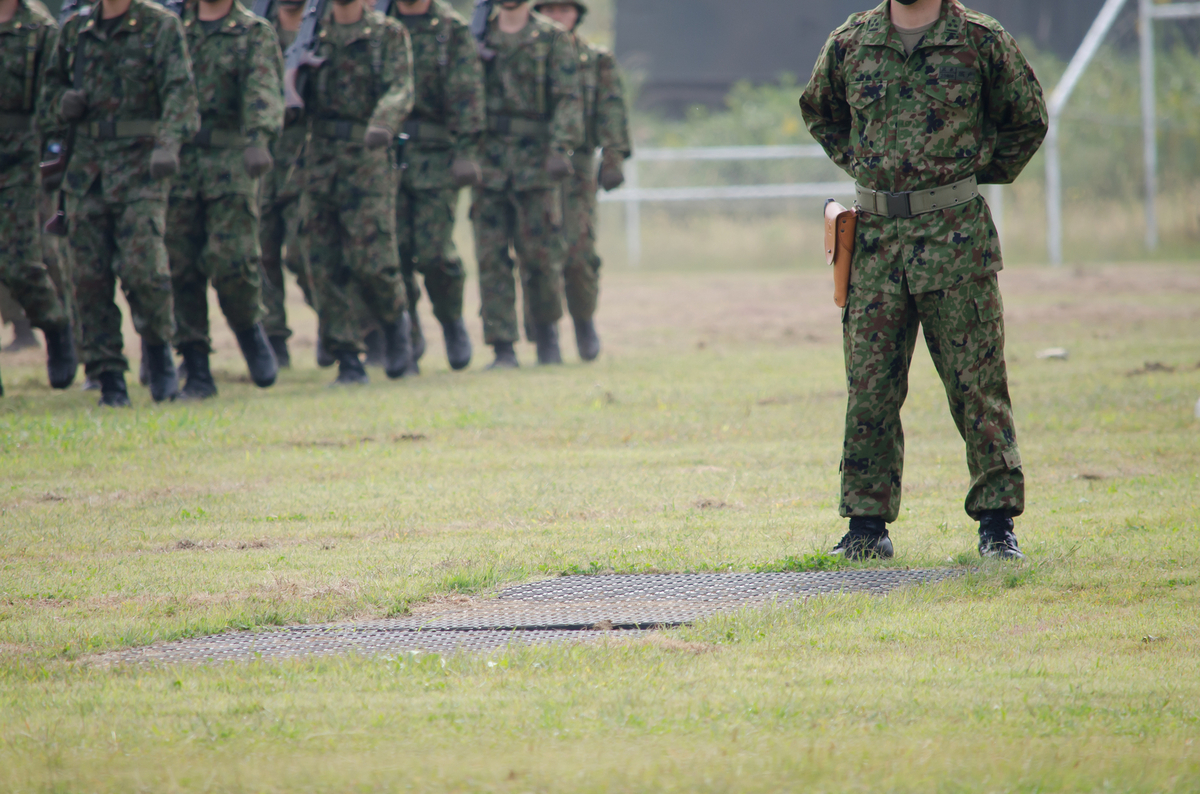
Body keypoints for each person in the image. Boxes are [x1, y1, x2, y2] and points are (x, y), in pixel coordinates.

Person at [799, 0, 1047, 560]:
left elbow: (1027, 119)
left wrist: (969, 168)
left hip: (954, 239)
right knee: (870, 388)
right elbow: (820, 111)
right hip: (876, 243)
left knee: (976, 385)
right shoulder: (851, 42)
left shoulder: (981, 40)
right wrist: (864, 160)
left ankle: (996, 526)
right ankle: (866, 528)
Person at [39, 0, 200, 406]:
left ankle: (160, 354)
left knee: (144, 270)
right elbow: (46, 97)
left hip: (140, 168)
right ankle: (107, 375)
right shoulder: (74, 31)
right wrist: (62, 103)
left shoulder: (160, 26)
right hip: (85, 172)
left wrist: (168, 144)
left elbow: (181, 93)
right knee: (88, 279)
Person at [167, 0, 283, 400]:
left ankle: (250, 329)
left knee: (232, 260)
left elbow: (263, 89)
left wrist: (259, 137)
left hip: (231, 160)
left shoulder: (252, 32)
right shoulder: (172, 27)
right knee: (179, 266)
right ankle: (195, 365)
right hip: (177, 160)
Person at [295, 0, 415, 385]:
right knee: (322, 260)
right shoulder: (312, 34)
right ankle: (347, 356)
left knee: (373, 258)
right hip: (320, 160)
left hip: (368, 157)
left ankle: (396, 327)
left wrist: (383, 122)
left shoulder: (387, 34)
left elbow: (402, 87)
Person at [472, 0, 581, 368]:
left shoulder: (551, 38)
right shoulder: (475, 36)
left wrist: (560, 147)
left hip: (536, 162)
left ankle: (547, 334)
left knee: (540, 256)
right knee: (491, 257)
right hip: (488, 162)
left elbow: (568, 98)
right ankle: (502, 346)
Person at [385, 0, 485, 373]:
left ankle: (451, 321)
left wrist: (467, 151)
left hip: (436, 157)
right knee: (394, 254)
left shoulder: (450, 30)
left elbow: (468, 94)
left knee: (433, 254)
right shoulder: (381, 23)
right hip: (385, 157)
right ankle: (406, 336)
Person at [531, 0, 628, 362]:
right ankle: (545, 334)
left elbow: (612, 109)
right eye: (550, 10)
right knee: (538, 252)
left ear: (577, 14)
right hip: (532, 165)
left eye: (565, 10)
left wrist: (613, 158)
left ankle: (584, 323)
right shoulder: (528, 55)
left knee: (579, 252)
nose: (557, 18)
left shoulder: (596, 58)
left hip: (579, 167)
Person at [0, 0, 78, 389]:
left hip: (21, 159)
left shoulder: (39, 29)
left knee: (20, 262)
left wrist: (53, 156)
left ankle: (56, 326)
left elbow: (53, 96)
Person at [258, 0, 313, 369]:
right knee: (261, 253)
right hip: (261, 158)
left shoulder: (319, 28)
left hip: (307, 158)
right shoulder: (258, 31)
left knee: (303, 251)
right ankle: (273, 339)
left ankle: (342, 323)